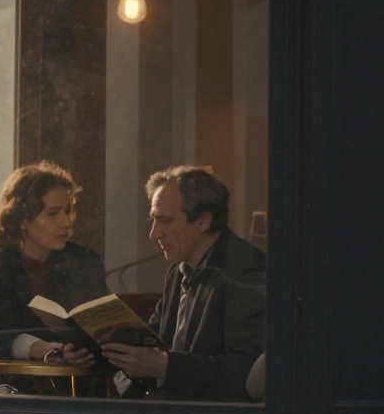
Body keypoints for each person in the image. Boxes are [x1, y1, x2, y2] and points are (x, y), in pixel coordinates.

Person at [102, 165, 265, 401]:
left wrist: (166, 367)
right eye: (154, 220)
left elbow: (247, 375)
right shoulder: (179, 268)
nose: (154, 233)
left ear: (202, 221)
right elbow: (155, 340)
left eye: (165, 221)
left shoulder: (245, 274)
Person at [0, 161, 109, 393]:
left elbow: (103, 331)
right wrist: (37, 347)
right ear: (22, 218)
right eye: (53, 213)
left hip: (76, 394)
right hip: (7, 393)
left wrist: (84, 351)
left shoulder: (84, 261)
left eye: (67, 211)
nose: (66, 222)